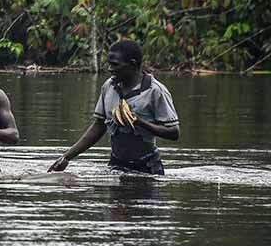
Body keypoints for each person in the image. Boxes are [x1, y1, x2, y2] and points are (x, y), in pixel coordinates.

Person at [48, 39, 180, 175]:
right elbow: (99, 127)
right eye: (109, 64)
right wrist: (66, 157)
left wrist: (140, 123)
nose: (110, 69)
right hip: (116, 165)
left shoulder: (155, 91)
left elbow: (174, 132)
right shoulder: (109, 86)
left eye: (115, 65)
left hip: (147, 166)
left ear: (132, 65)